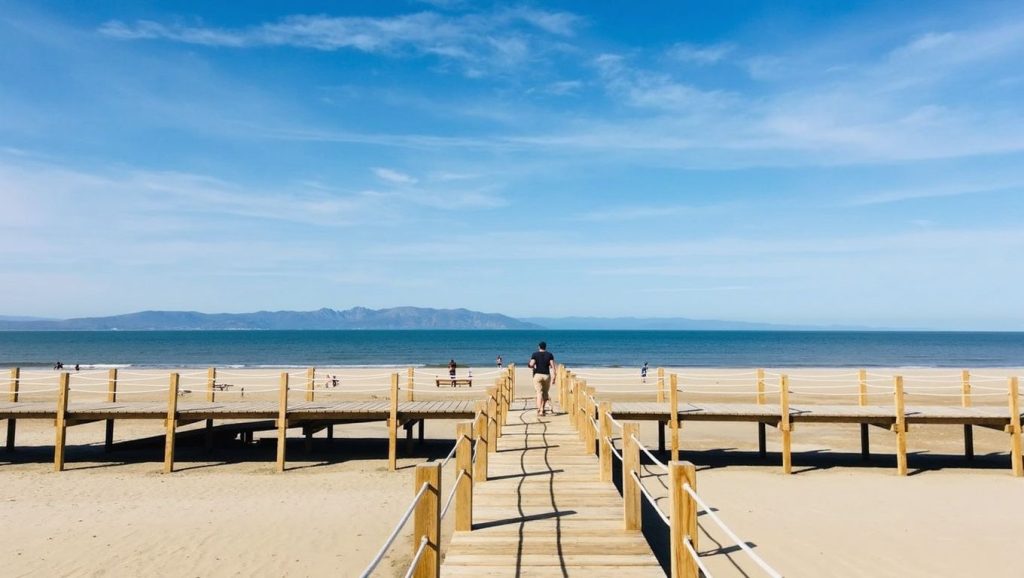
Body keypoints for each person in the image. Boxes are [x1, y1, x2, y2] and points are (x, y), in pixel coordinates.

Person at [528, 341, 556, 417]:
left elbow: (531, 364)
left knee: (539, 393)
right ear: (545, 347)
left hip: (537, 375)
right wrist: (554, 377)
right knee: (545, 393)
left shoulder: (535, 354)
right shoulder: (550, 355)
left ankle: (539, 410)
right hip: (546, 375)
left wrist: (530, 365)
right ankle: (542, 409)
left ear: (539, 347)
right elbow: (553, 366)